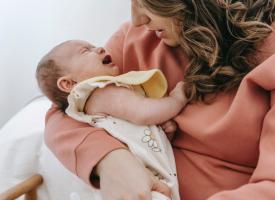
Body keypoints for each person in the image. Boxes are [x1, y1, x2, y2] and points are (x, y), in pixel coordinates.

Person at [44, 0, 275, 199]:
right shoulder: (136, 38)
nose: (136, 19)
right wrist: (111, 160)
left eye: (147, 2)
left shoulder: (269, 54)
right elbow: (64, 108)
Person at [36, 39, 187, 200]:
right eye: (86, 51)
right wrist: (177, 98)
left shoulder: (93, 103)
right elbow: (143, 113)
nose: (100, 48)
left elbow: (134, 131)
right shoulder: (101, 92)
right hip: (144, 184)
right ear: (68, 83)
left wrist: (159, 131)